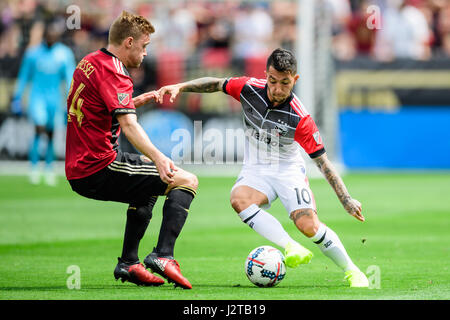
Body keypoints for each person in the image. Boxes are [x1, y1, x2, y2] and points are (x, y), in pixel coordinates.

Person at [156, 48, 369, 287]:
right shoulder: (248, 89)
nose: (278, 89)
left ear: (295, 80)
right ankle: (290, 246)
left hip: (288, 170)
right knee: (238, 199)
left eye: (285, 83)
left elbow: (323, 163)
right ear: (266, 74)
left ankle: (353, 271)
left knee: (308, 226)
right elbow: (215, 84)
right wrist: (180, 87)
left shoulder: (300, 118)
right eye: (273, 81)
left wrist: (346, 199)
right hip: (256, 168)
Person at [65, 11, 198, 289]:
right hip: (100, 165)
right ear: (128, 42)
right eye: (144, 46)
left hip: (77, 167)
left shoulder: (89, 62)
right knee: (186, 180)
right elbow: (128, 125)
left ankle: (129, 263)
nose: (146, 53)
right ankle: (163, 256)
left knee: (146, 187)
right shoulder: (116, 72)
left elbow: (100, 111)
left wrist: (135, 101)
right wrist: (160, 158)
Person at [11, 19, 76, 186]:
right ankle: (34, 167)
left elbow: (70, 79)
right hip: (37, 97)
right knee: (39, 128)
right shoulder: (33, 53)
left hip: (55, 99)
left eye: (54, 34)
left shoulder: (64, 54)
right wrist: (17, 96)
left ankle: (48, 168)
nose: (51, 37)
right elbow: (24, 76)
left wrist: (72, 100)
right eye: (48, 34)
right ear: (45, 35)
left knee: (51, 133)